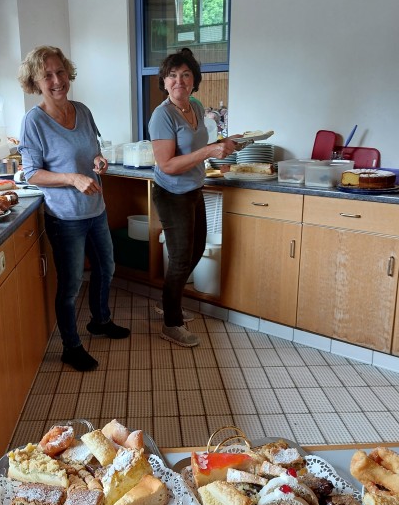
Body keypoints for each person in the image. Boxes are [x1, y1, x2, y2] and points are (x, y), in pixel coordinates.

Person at [18, 45, 129, 372]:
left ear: (69, 73)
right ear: (35, 82)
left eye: (61, 72)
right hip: (65, 218)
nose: (57, 80)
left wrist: (97, 161)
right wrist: (71, 178)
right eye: (47, 75)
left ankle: (100, 321)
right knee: (70, 286)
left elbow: (93, 151)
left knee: (106, 268)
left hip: (96, 209)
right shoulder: (33, 121)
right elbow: (31, 172)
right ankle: (71, 346)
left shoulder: (82, 110)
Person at [149, 48, 238, 347]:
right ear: (164, 81)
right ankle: (170, 324)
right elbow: (168, 165)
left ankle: (167, 301)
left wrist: (219, 153)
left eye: (185, 75)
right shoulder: (161, 116)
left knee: (197, 248)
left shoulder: (197, 106)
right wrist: (209, 152)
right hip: (170, 193)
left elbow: (199, 147)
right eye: (172, 75)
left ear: (194, 80)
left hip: (193, 189)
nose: (179, 81)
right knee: (179, 259)